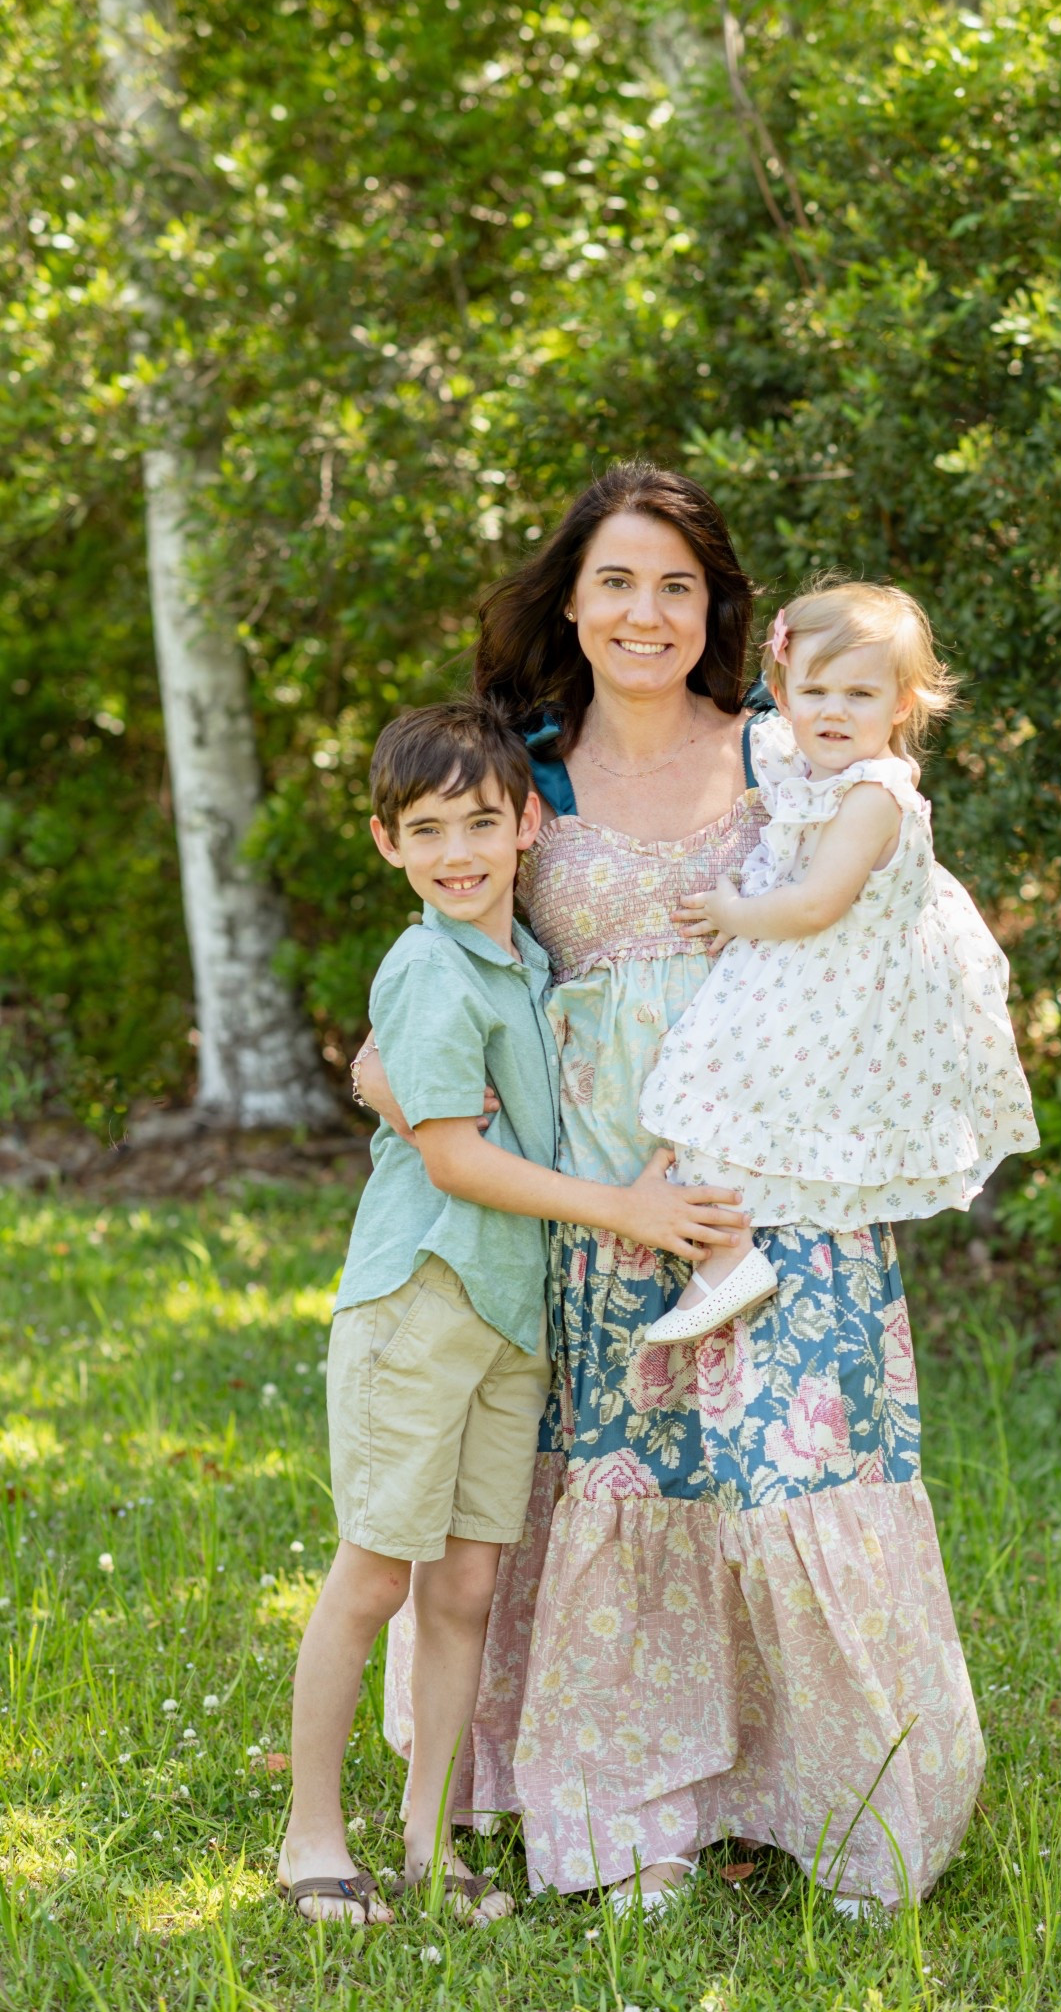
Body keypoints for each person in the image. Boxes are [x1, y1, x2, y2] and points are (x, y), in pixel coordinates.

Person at [374, 463, 988, 1916]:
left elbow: (901, 938)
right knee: (632, 1496)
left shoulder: (795, 751)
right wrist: (383, 1078)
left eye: (676, 584)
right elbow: (437, 967)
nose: (644, 611)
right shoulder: (518, 769)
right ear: (570, 602)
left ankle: (838, 1814)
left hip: (783, 1188)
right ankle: (625, 1817)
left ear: (720, 608)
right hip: (600, 1203)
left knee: (788, 1488)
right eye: (614, 582)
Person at [280, 697, 743, 1925]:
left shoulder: (526, 958)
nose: (456, 853)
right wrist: (622, 1212)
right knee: (377, 1570)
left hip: (510, 1312)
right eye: (425, 831)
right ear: (387, 842)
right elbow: (454, 1159)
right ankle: (312, 1839)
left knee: (470, 1582)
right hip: (421, 1296)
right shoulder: (429, 964)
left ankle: (431, 1841)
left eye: (480, 822)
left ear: (528, 822)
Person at [640, 579, 1039, 1343]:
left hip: (834, 992)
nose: (832, 711)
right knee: (714, 1088)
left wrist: (733, 915)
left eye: (859, 693)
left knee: (715, 1079)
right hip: (812, 979)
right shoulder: (819, 766)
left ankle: (730, 1257)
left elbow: (818, 903)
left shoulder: (874, 795)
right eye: (813, 689)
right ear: (783, 691)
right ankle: (728, 1251)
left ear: (900, 705)